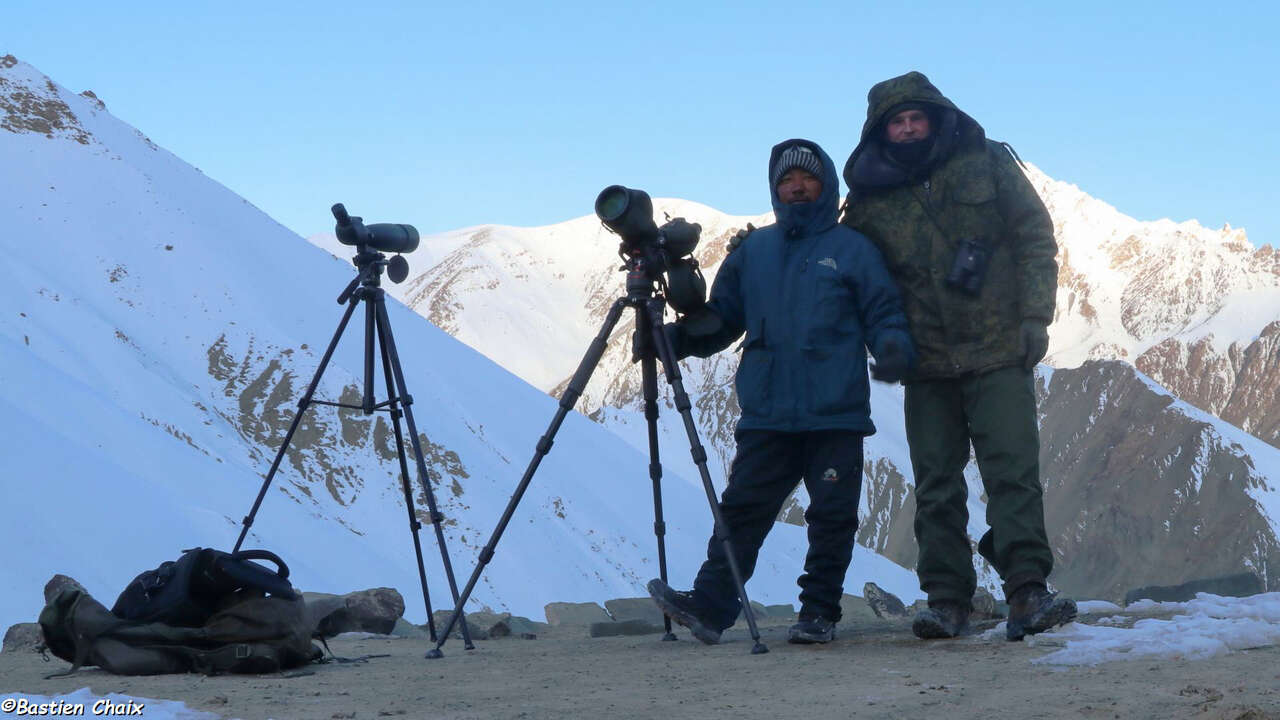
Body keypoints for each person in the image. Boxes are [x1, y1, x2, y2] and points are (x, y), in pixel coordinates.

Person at [647, 138, 914, 645]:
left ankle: (818, 614)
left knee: (830, 518)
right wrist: (674, 341)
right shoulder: (754, 252)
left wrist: (894, 347)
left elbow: (883, 310)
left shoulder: (852, 249)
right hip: (768, 410)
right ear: (775, 188)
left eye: (807, 178)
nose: (796, 186)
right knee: (741, 512)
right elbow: (723, 319)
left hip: (834, 412)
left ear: (825, 185)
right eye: (786, 180)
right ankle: (710, 607)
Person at [839, 71, 1076, 641]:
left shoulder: (987, 162)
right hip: (925, 363)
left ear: (936, 115)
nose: (908, 127)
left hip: (998, 349)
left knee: (1012, 473)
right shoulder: (868, 201)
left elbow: (1034, 237)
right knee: (936, 484)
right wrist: (885, 343)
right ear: (881, 130)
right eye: (897, 121)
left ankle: (1026, 590)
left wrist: (1034, 318)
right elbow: (860, 280)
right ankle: (947, 600)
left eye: (916, 116)